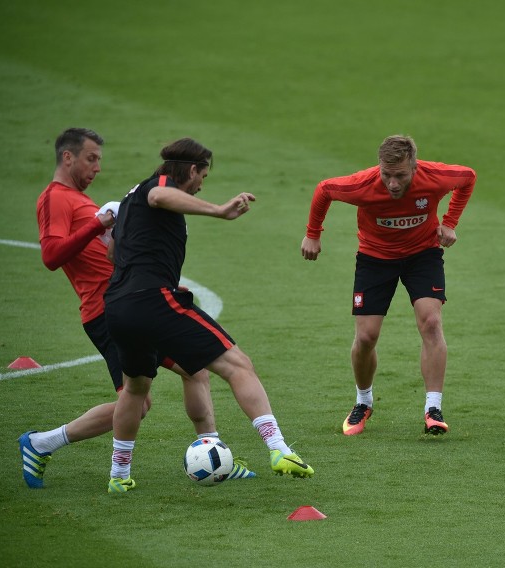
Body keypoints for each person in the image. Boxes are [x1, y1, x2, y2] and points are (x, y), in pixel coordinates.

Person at [22, 128, 255, 489]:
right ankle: (41, 443)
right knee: (139, 401)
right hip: (107, 311)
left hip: (136, 300)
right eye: (91, 158)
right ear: (67, 157)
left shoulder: (79, 199)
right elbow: (52, 256)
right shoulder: (56, 198)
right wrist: (97, 224)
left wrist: (160, 285)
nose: (98, 167)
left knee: (197, 370)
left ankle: (214, 453)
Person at [104, 137, 313, 493]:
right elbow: (160, 196)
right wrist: (217, 210)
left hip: (118, 305)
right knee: (238, 365)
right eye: (203, 175)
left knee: (136, 387)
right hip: (153, 300)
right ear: (191, 170)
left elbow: (112, 252)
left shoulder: (129, 199)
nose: (202, 184)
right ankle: (279, 450)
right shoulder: (157, 188)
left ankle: (119, 476)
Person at [301, 135, 476, 436]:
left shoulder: (435, 177)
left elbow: (468, 178)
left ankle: (433, 408)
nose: (392, 183)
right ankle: (363, 401)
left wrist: (450, 222)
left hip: (423, 255)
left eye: (400, 175)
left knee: (431, 323)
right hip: (374, 258)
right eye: (387, 174)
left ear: (414, 167)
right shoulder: (362, 184)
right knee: (367, 337)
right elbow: (324, 189)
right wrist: (313, 233)